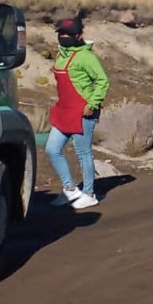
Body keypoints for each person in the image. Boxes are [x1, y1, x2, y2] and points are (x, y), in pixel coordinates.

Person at [44, 17, 108, 210]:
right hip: (64, 110)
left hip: (82, 111)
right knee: (52, 150)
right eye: (61, 33)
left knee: (83, 153)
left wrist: (92, 103)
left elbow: (103, 81)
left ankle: (89, 194)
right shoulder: (61, 55)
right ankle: (70, 190)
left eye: (68, 34)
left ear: (79, 36)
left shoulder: (86, 57)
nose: (64, 36)